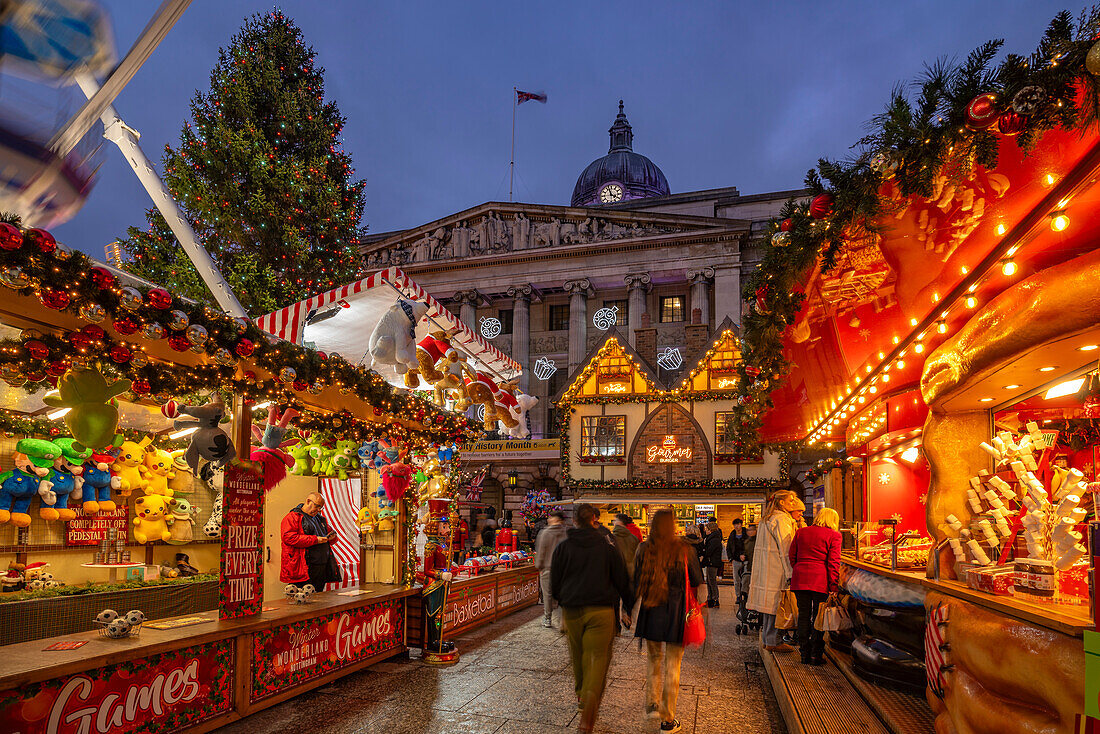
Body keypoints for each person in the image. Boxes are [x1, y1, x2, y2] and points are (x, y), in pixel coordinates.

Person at [551, 504, 635, 733]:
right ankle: (589, 707)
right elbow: (621, 578)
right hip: (601, 610)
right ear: (593, 521)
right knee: (598, 658)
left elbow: (554, 583)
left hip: (573, 611)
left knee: (577, 657)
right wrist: (627, 605)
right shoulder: (606, 546)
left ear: (575, 522)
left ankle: (581, 695)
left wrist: (563, 601)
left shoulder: (563, 547)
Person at [633, 508, 704, 734]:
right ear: (673, 526)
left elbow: (635, 581)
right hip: (676, 611)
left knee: (654, 659)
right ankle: (668, 720)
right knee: (673, 666)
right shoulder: (684, 549)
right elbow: (696, 580)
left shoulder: (644, 548)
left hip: (651, 609)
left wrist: (626, 609)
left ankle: (652, 704)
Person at [747, 490, 805, 651]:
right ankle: (774, 641)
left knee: (769, 606)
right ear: (781, 503)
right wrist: (790, 572)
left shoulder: (767, 518)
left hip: (767, 567)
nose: (793, 503)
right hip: (777, 568)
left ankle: (767, 639)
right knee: (777, 605)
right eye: (791, 500)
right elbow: (786, 548)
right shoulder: (781, 519)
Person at [790, 507, 842, 665]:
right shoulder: (834, 535)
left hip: (800, 578)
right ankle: (815, 655)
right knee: (818, 617)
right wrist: (834, 586)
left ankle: (804, 654)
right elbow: (833, 563)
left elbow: (792, 554)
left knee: (804, 615)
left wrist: (798, 568)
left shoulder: (801, 532)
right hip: (820, 579)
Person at [280, 492, 338, 592]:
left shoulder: (320, 519)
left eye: (321, 508)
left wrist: (332, 537)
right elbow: (288, 538)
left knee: (317, 600)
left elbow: (331, 536)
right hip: (302, 568)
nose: (318, 510)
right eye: (317, 506)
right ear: (308, 501)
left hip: (321, 567)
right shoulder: (293, 517)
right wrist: (315, 539)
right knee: (300, 600)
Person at [535, 510, 567, 628]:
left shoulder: (545, 533)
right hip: (563, 569)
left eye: (550, 517)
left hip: (547, 568)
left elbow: (541, 551)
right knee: (562, 593)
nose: (548, 519)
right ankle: (563, 618)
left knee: (547, 594)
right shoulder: (566, 532)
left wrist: (539, 566)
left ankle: (548, 618)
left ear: (555, 519)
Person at [702, 521, 724, 608]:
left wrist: (704, 551)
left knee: (712, 581)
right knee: (709, 581)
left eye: (706, 529)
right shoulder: (711, 538)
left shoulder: (714, 539)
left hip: (712, 562)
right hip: (710, 562)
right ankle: (710, 598)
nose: (705, 531)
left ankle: (715, 599)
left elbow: (709, 551)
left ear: (710, 530)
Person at [726, 519, 750, 599]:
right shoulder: (732, 534)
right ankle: (738, 596)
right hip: (735, 560)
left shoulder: (746, 533)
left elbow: (749, 546)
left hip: (746, 560)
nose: (736, 526)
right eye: (735, 525)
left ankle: (745, 594)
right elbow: (728, 547)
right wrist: (731, 559)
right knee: (737, 579)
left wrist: (745, 555)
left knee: (745, 579)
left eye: (738, 524)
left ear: (741, 524)